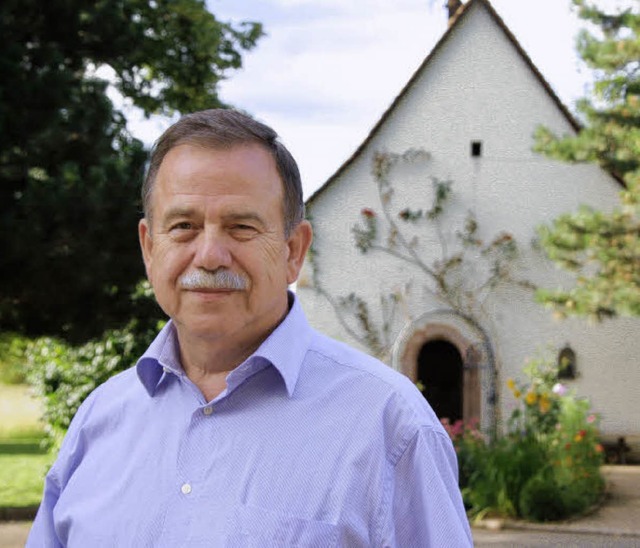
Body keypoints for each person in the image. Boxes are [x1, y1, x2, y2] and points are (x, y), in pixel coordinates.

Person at [27, 109, 472, 547]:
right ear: (149, 247)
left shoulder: (389, 427)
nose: (209, 256)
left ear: (293, 250)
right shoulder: (99, 420)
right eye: (183, 227)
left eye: (241, 227)